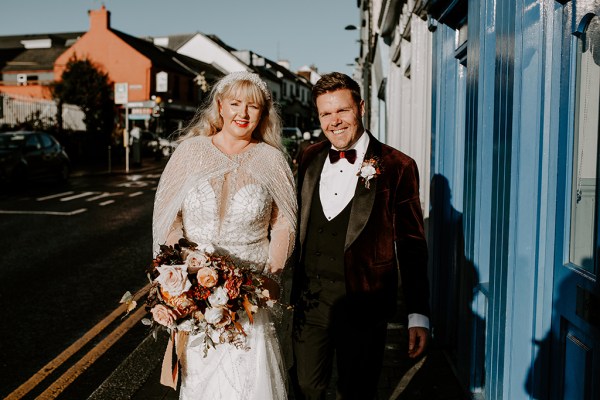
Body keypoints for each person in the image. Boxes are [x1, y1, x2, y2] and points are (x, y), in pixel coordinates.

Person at [152, 71, 297, 400]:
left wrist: (273, 275)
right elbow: (168, 217)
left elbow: (284, 224)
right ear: (219, 106)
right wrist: (179, 270)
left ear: (264, 112)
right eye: (235, 104)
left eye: (253, 106)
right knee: (201, 381)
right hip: (196, 292)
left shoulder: (273, 160)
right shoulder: (190, 153)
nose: (242, 114)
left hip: (250, 296)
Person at [291, 72, 430, 400]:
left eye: (342, 110)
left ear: (361, 108)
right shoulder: (309, 156)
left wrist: (417, 314)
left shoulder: (398, 165)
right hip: (311, 298)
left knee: (357, 391)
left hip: (365, 302)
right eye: (326, 113)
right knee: (305, 386)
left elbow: (411, 245)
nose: (334, 121)